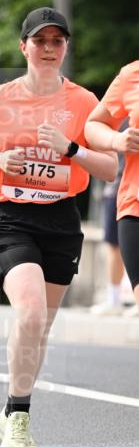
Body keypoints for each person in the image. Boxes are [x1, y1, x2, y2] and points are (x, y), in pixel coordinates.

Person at [0, 8, 116, 447]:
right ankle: (19, 417)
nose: (48, 49)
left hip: (61, 219)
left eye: (56, 41)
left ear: (65, 48)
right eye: (39, 41)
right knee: (30, 310)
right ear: (23, 46)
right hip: (9, 218)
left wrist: (72, 149)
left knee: (41, 326)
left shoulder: (84, 102)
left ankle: (10, 411)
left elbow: (110, 167)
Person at [85, 61, 139, 315]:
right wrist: (116, 139)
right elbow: (93, 125)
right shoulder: (132, 75)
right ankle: (114, 297)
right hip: (135, 204)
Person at [90, 124, 128, 315]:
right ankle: (113, 299)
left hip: (130, 189)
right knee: (113, 245)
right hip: (115, 187)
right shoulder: (114, 111)